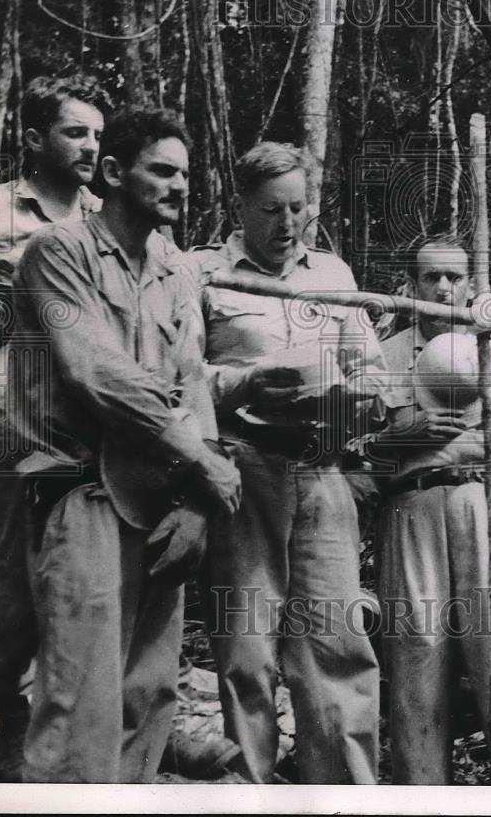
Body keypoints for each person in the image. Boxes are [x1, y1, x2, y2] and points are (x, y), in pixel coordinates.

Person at [8, 107, 242, 782]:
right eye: (161, 171)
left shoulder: (176, 272)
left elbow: (192, 381)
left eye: (186, 175)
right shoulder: (57, 255)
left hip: (158, 498)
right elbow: (97, 372)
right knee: (81, 700)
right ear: (112, 172)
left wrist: (200, 498)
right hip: (77, 491)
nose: (179, 186)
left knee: (149, 695)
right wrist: (199, 458)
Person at [191, 142, 386, 784]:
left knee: (337, 643)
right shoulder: (204, 273)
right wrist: (243, 384)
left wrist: (362, 407)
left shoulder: (333, 275)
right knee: (248, 651)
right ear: (240, 204)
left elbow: (371, 371)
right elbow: (182, 377)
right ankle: (251, 789)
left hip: (323, 469)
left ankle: (345, 792)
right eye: (272, 209)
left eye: (299, 207)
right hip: (245, 474)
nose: (288, 223)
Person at [371, 235, 491, 785]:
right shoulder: (382, 353)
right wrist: (399, 438)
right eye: (431, 277)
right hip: (414, 510)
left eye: (455, 277)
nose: (444, 288)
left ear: (473, 285)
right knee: (416, 660)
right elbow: (356, 457)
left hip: (490, 504)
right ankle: (423, 793)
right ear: (412, 285)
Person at [0, 73, 109, 777]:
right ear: (32, 137)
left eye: (97, 136)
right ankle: (8, 717)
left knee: (72, 567)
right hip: (5, 400)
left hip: (85, 416)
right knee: (2, 573)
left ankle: (63, 744)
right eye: (74, 131)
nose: (89, 147)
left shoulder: (105, 222)